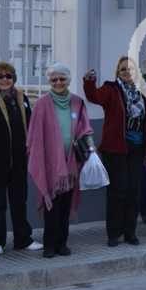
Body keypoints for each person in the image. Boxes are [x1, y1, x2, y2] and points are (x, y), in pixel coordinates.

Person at [83, 57, 146, 247]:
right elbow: (94, 97)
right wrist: (89, 81)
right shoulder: (111, 89)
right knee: (118, 191)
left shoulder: (144, 92)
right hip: (116, 148)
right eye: (123, 69)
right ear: (118, 72)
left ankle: (130, 232)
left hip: (137, 148)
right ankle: (114, 233)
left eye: (130, 69)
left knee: (133, 191)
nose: (127, 72)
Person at [0, 62, 43, 255]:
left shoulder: (21, 98)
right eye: (0, 76)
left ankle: (23, 239)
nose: (5, 80)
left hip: (19, 160)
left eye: (8, 76)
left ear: (14, 79)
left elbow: (31, 126)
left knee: (19, 200)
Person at [27, 63, 94, 258]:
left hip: (71, 163)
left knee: (65, 206)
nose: (58, 82)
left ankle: (62, 244)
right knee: (52, 206)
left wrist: (90, 145)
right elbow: (34, 135)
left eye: (62, 79)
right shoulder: (42, 104)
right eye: (54, 79)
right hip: (49, 164)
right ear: (49, 81)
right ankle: (49, 245)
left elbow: (85, 127)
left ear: (68, 80)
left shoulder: (77, 102)